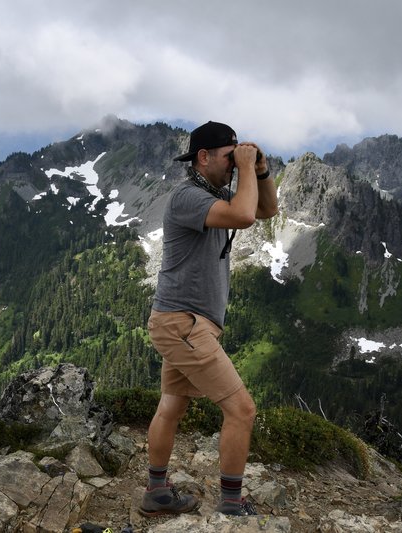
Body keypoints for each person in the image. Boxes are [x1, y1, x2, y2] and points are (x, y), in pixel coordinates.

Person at [140, 121, 278, 517]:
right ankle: (232, 505)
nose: (233, 165)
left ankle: (156, 493)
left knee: (172, 406)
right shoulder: (187, 197)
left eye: (236, 157)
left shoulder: (211, 193)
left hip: (185, 324)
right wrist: (248, 168)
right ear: (202, 157)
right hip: (183, 324)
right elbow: (244, 216)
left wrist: (261, 171)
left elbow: (266, 209)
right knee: (243, 410)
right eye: (227, 157)